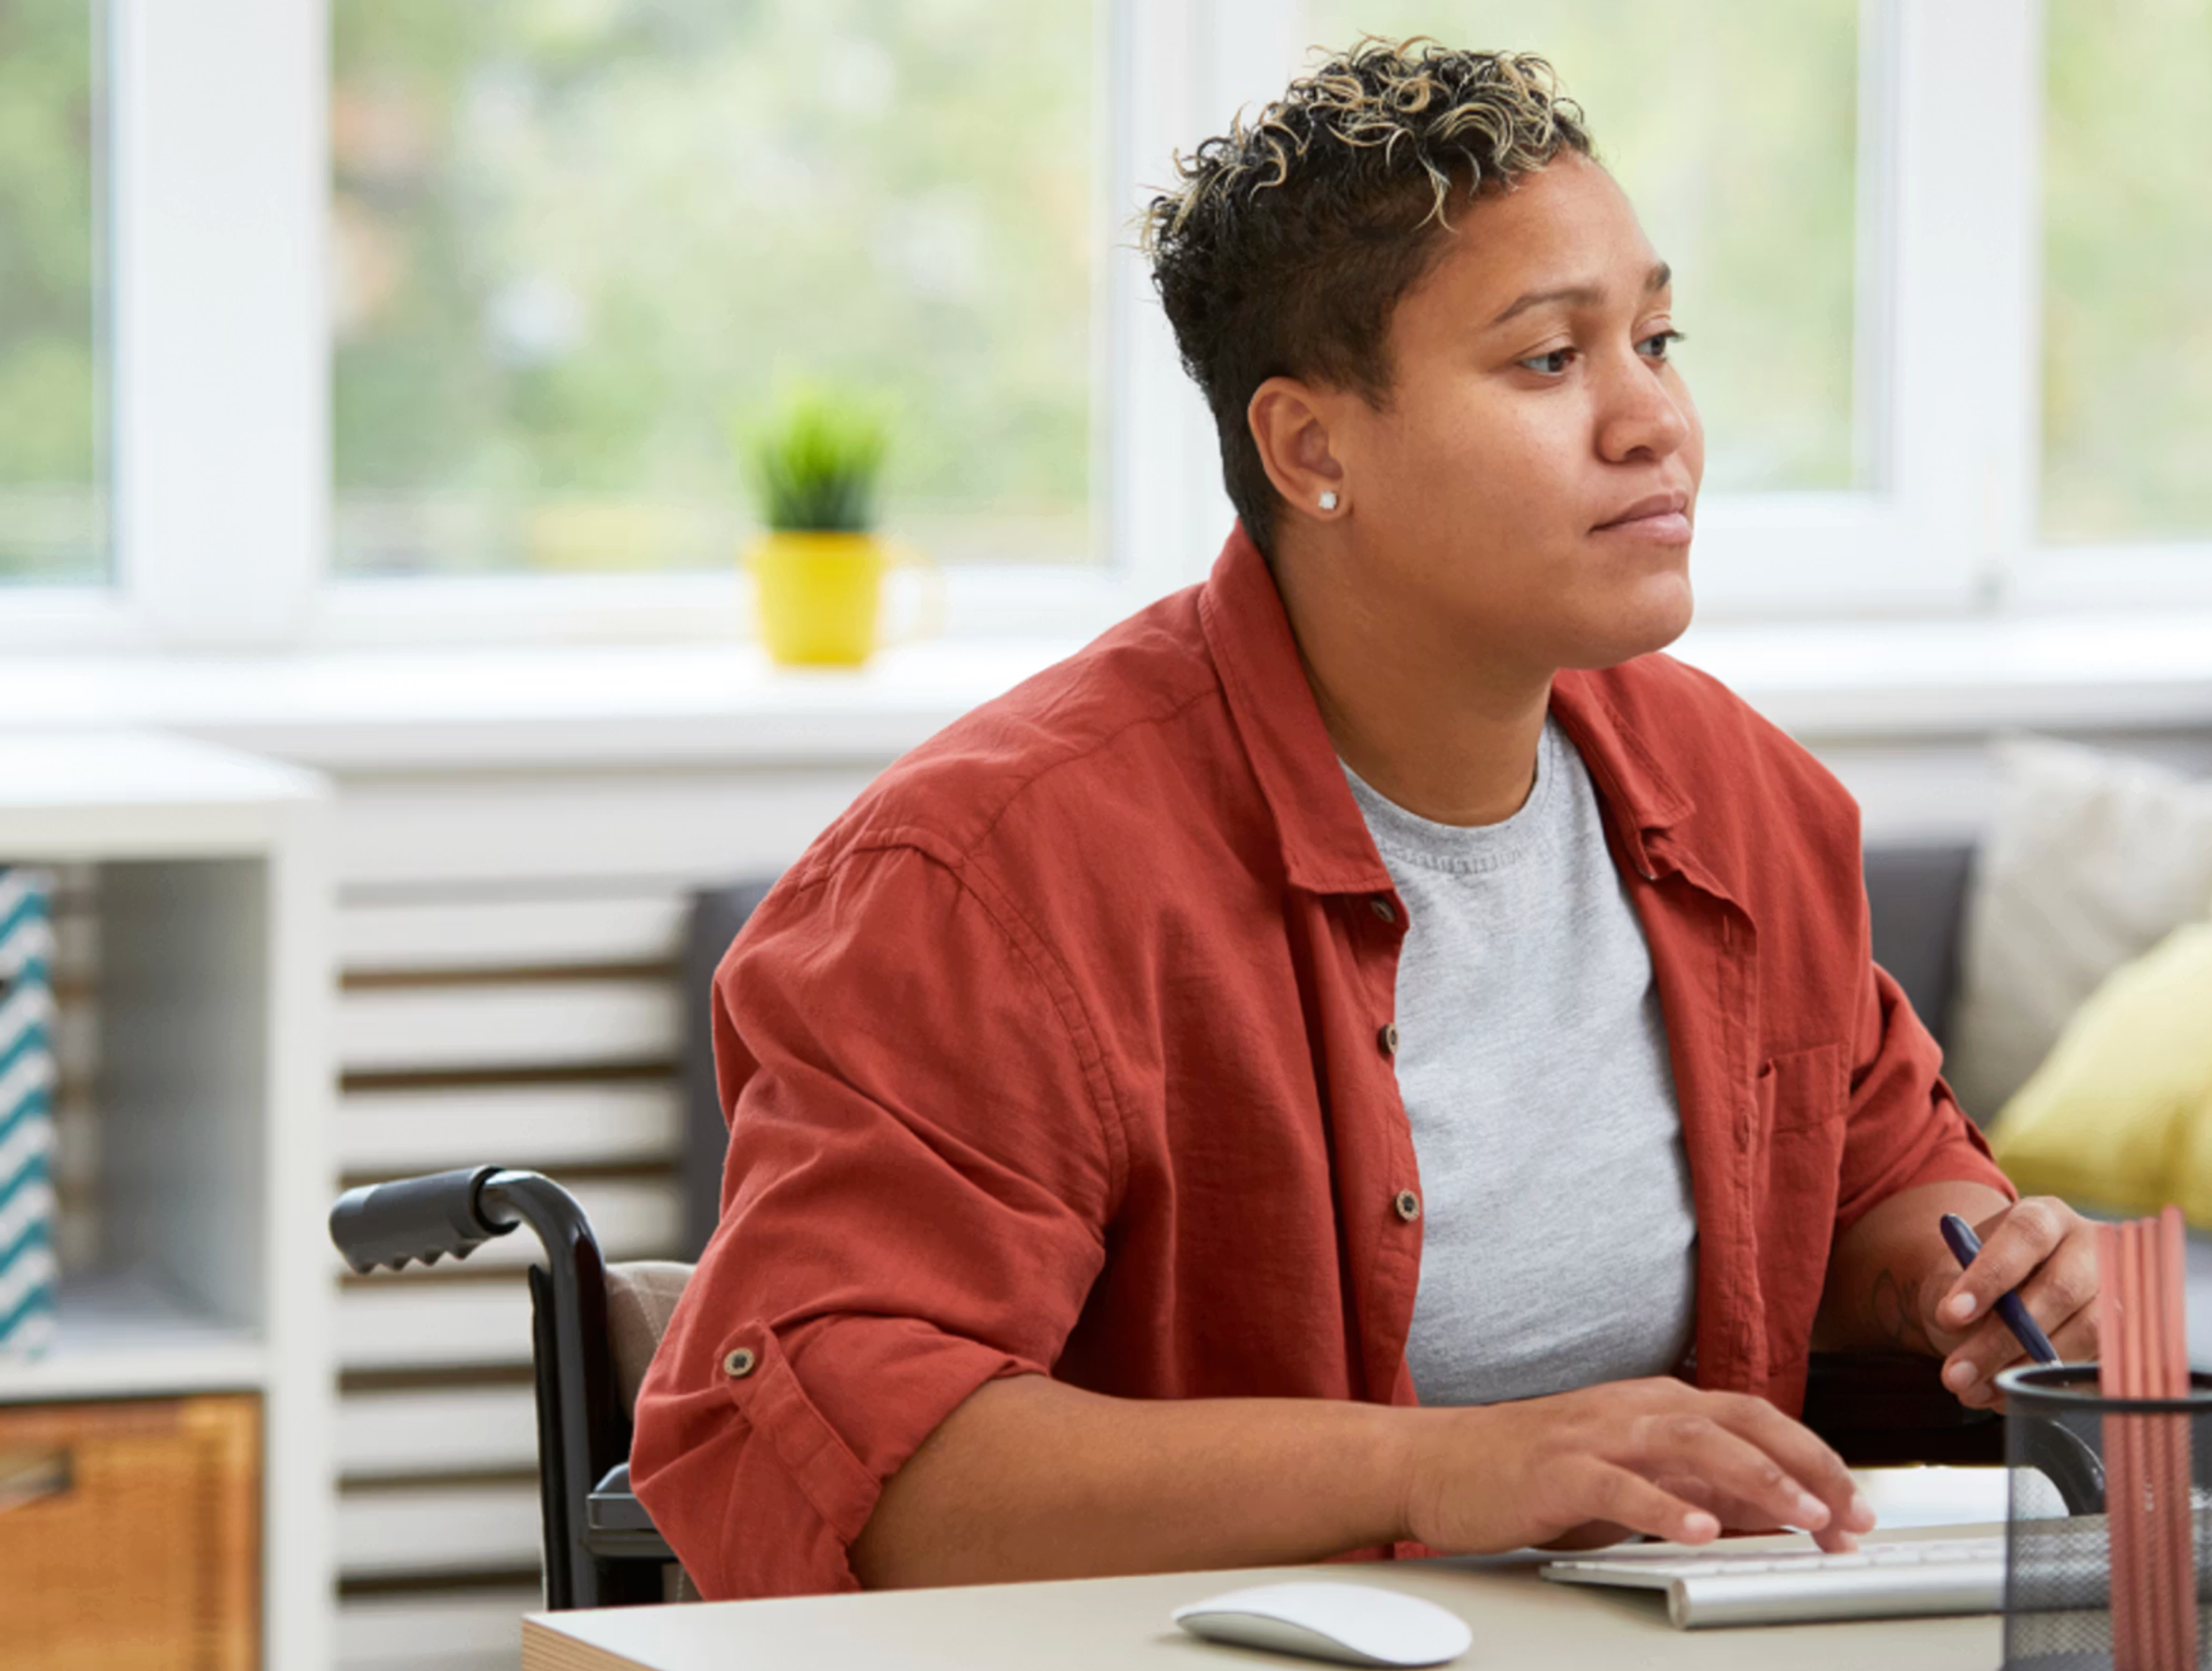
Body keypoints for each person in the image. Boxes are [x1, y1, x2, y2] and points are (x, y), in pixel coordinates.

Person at [631, 36, 2100, 1600]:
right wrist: (1441, 1470)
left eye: (1656, 339)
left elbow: (1882, 1179)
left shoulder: (1742, 798)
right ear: (1309, 448)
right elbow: (878, 1469)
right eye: (1548, 360)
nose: (1651, 422)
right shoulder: (979, 880)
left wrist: (1977, 1278)